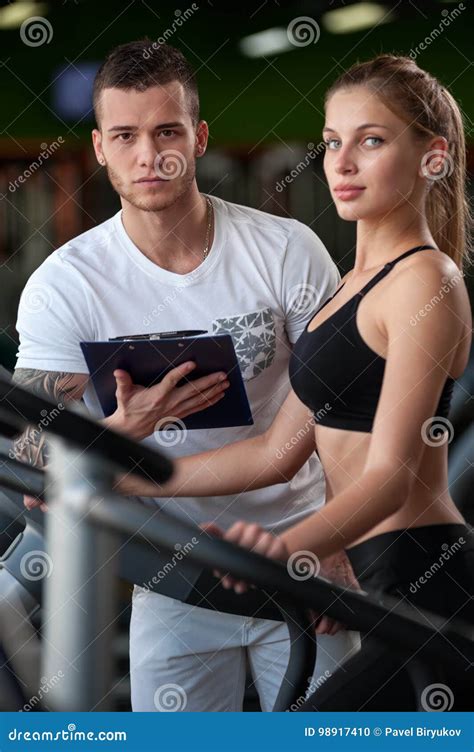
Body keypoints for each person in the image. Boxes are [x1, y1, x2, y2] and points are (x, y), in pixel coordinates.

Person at [14, 39, 361, 712]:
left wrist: (337, 540)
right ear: (100, 148)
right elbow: (30, 443)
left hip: (300, 558)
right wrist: (115, 433)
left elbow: (339, 412)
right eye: (126, 135)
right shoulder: (66, 284)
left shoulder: (287, 252)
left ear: (198, 137)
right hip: (173, 572)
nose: (149, 155)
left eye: (166, 130)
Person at [118, 54, 474, 710]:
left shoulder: (428, 282)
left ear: (432, 156)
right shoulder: (349, 290)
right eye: (333, 142)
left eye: (371, 141)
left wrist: (287, 547)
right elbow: (276, 453)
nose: (340, 163)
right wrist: (126, 474)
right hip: (373, 576)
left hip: (425, 579)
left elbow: (392, 475)